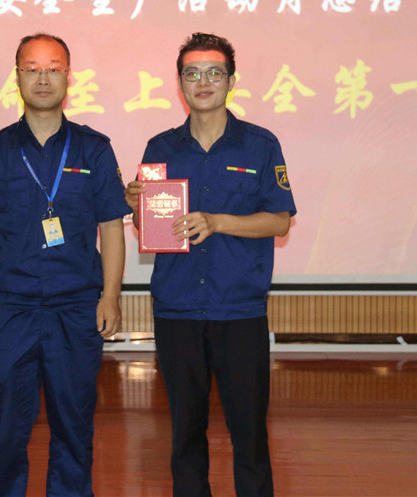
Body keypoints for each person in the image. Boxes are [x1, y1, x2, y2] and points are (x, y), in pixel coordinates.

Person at [0, 33, 128, 497]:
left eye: (53, 68)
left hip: (76, 307)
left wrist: (110, 296)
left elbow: (111, 226)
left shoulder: (93, 149)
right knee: (4, 426)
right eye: (32, 69)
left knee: (74, 423)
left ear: (68, 76)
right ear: (18, 77)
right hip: (10, 308)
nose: (43, 78)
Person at [125, 32, 296, 497]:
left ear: (231, 81)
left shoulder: (260, 145)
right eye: (192, 73)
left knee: (250, 435)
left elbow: (279, 221)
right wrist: (136, 206)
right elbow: (150, 228)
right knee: (184, 436)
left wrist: (217, 222)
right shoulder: (161, 147)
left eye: (214, 72)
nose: (203, 82)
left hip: (238, 310)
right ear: (180, 83)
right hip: (177, 308)